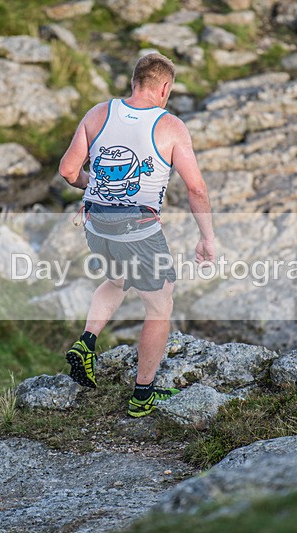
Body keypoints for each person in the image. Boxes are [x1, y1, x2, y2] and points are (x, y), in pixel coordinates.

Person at [58, 52, 215, 418]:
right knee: (160, 304)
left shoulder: (99, 113)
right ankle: (143, 395)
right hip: (138, 230)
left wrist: (93, 185)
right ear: (165, 88)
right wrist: (207, 237)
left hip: (96, 224)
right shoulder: (171, 126)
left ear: (133, 82)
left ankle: (87, 341)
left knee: (117, 279)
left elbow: (68, 170)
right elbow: (196, 189)